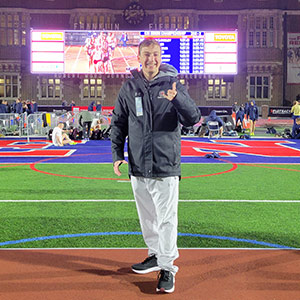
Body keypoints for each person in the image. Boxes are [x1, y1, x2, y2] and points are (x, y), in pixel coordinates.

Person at [110, 39, 201, 294]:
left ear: (161, 57)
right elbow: (118, 123)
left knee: (166, 220)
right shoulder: (129, 87)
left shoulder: (173, 84)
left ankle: (168, 267)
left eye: (155, 54)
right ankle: (154, 254)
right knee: (147, 218)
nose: (151, 59)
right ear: (139, 58)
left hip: (165, 164)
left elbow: (193, 118)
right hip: (138, 165)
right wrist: (117, 153)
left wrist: (178, 99)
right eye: (146, 55)